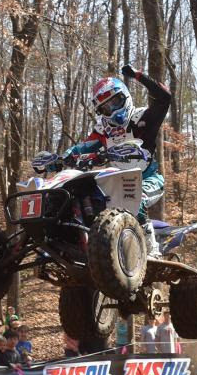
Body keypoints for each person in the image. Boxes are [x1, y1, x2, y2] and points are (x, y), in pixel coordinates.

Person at [57, 64, 171, 258]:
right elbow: (82, 148)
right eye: (105, 107)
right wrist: (63, 157)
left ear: (125, 97)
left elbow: (164, 98)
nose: (111, 110)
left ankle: (151, 250)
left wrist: (138, 75)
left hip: (149, 179)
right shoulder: (103, 130)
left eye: (115, 102)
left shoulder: (142, 118)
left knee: (136, 198)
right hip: (115, 185)